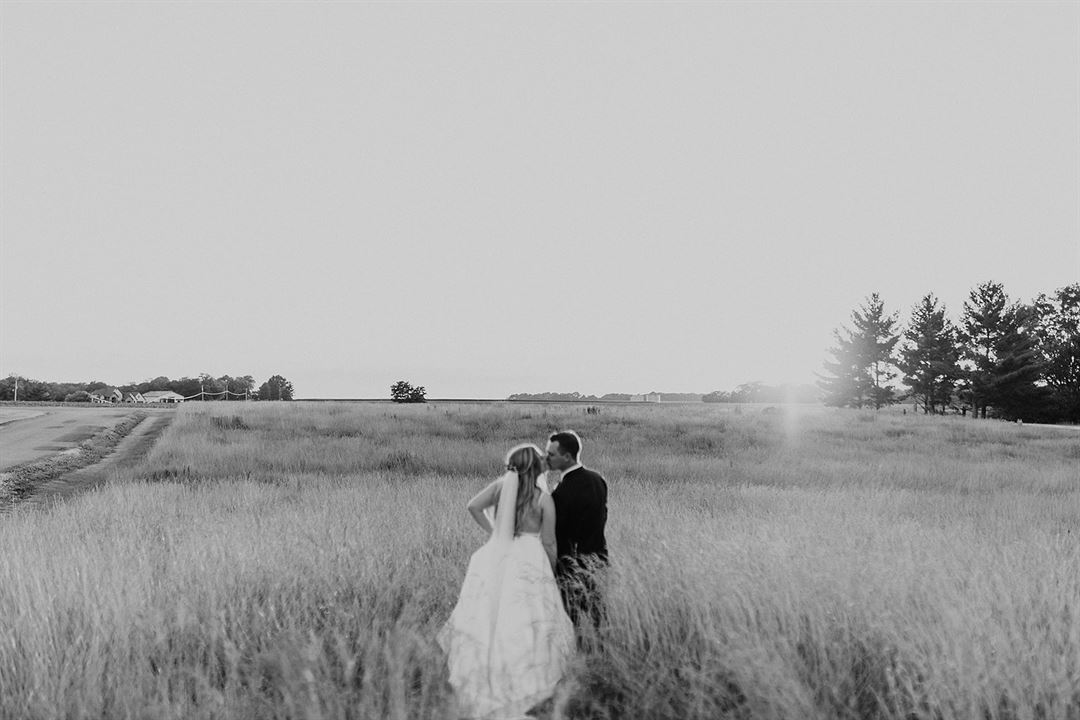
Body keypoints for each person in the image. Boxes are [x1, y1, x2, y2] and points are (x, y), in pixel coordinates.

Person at [437, 444, 575, 720]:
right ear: (535, 468)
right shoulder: (543, 499)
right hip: (531, 557)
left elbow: (473, 506)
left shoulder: (500, 488)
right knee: (528, 619)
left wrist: (497, 534)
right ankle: (526, 680)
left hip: (498, 555)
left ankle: (487, 673)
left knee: (492, 616)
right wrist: (550, 572)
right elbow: (549, 541)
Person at [544, 430, 608, 634]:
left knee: (575, 620)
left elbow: (559, 534)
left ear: (567, 456)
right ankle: (601, 649)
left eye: (551, 454)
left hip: (571, 565)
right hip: (599, 559)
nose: (547, 458)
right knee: (599, 617)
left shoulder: (561, 492)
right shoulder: (598, 480)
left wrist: (556, 568)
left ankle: (583, 649)